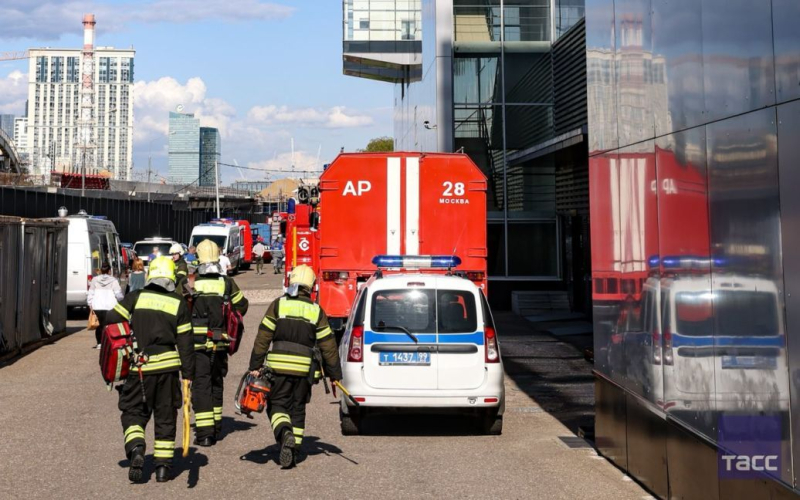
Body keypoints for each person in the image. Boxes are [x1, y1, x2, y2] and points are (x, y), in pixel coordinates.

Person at [105, 256, 195, 484]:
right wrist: (188, 375)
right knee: (165, 417)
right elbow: (186, 344)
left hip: (140, 368)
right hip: (168, 369)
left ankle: (136, 447)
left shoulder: (136, 297)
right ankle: (163, 468)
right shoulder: (178, 303)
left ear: (151, 275)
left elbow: (111, 318)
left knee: (134, 412)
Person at [248, 264, 341, 468]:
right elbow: (328, 346)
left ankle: (284, 433)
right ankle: (294, 450)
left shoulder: (278, 305)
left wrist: (255, 364)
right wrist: (335, 374)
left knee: (276, 405)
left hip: (277, 369)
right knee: (298, 409)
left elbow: (263, 337)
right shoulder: (317, 311)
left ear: (291, 282)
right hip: (304, 371)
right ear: (311, 287)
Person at [190, 239, 249, 446]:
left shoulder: (190, 282)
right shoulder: (227, 283)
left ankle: (205, 433)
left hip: (197, 345)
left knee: (201, 385)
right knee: (216, 382)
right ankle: (215, 426)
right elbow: (243, 305)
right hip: (221, 342)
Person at [87, 262, 124, 349]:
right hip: (110, 306)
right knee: (108, 326)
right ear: (109, 270)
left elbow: (91, 293)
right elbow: (118, 294)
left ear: (101, 270)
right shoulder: (113, 281)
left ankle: (99, 343)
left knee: (99, 325)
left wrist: (90, 304)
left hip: (97, 305)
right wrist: (121, 301)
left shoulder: (95, 280)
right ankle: (108, 342)